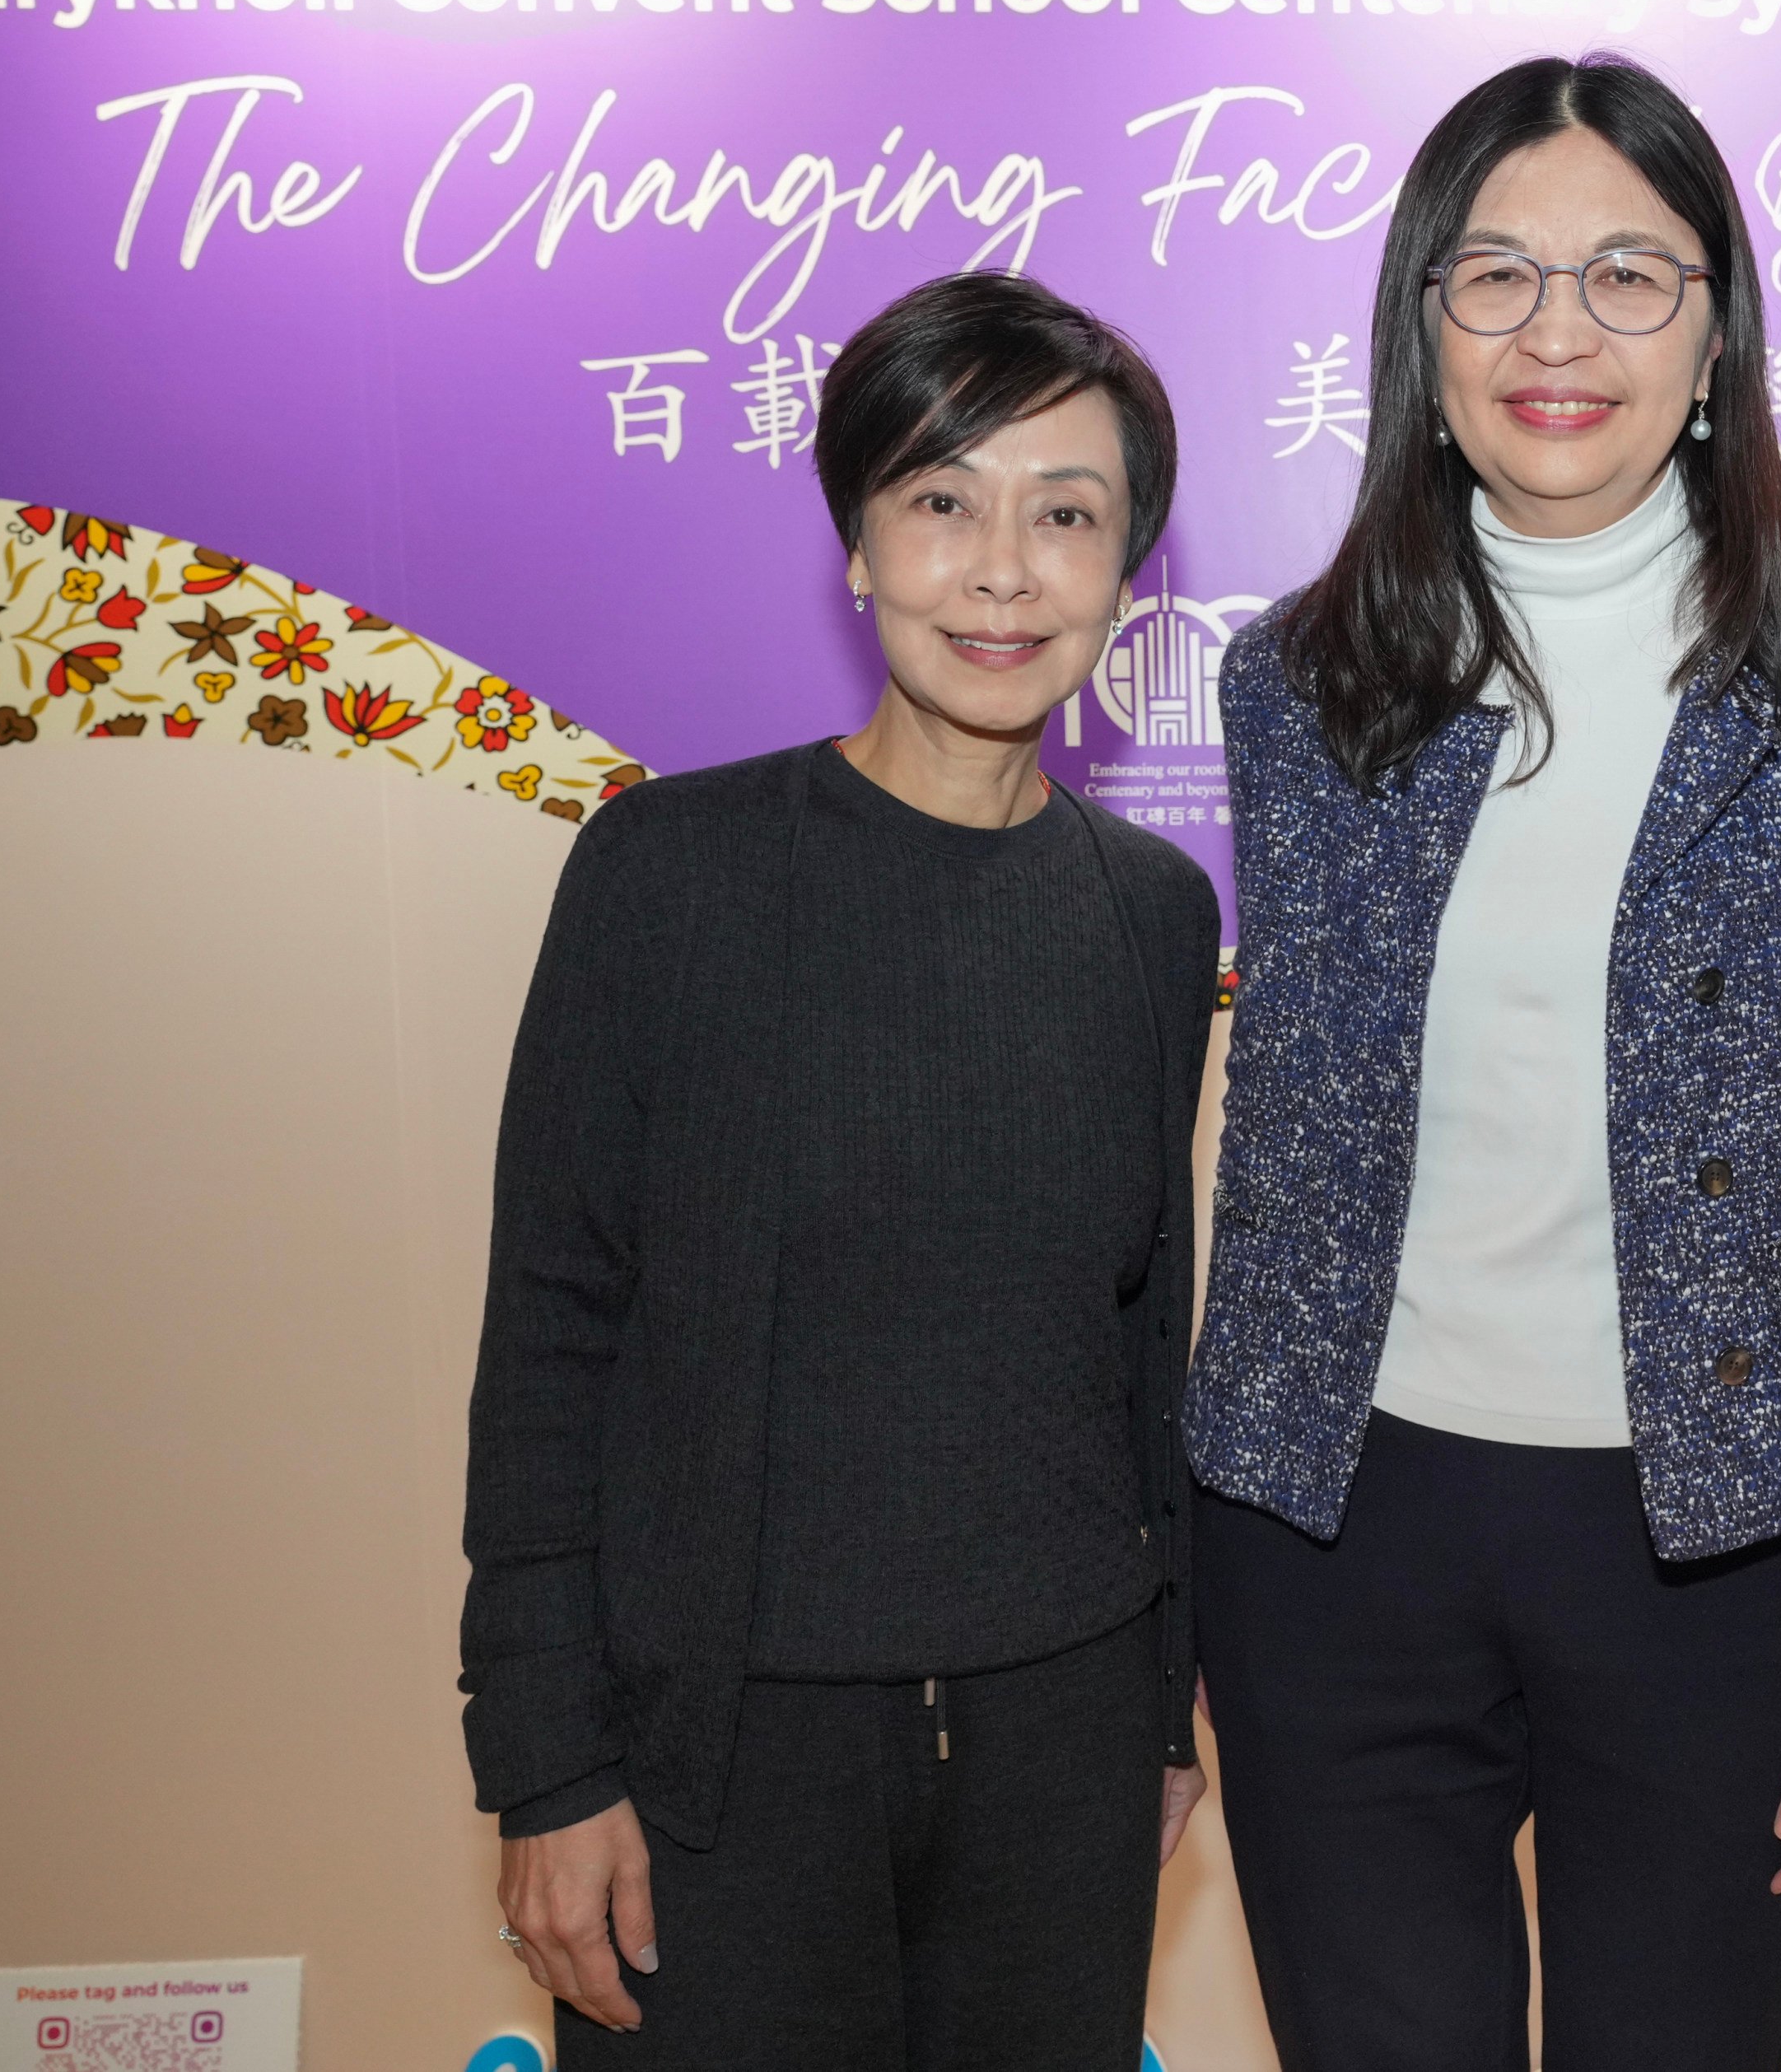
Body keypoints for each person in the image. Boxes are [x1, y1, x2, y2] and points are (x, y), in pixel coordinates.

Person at [1184, 53, 1781, 2072]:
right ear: (1419, 330)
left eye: (1631, 275)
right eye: (1497, 279)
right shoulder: (1295, 682)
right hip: (1334, 1540)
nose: (1560, 333)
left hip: (1717, 1554)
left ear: (1715, 332)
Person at [459, 271, 1219, 2070]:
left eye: (1067, 515)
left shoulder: (1151, 916)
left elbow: (1138, 1347)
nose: (1002, 569)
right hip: (717, 1762)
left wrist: (1162, 1714)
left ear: (1125, 575)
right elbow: (551, 1341)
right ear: (856, 543)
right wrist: (546, 1760)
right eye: (940, 502)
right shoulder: (669, 877)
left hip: (1060, 1751)